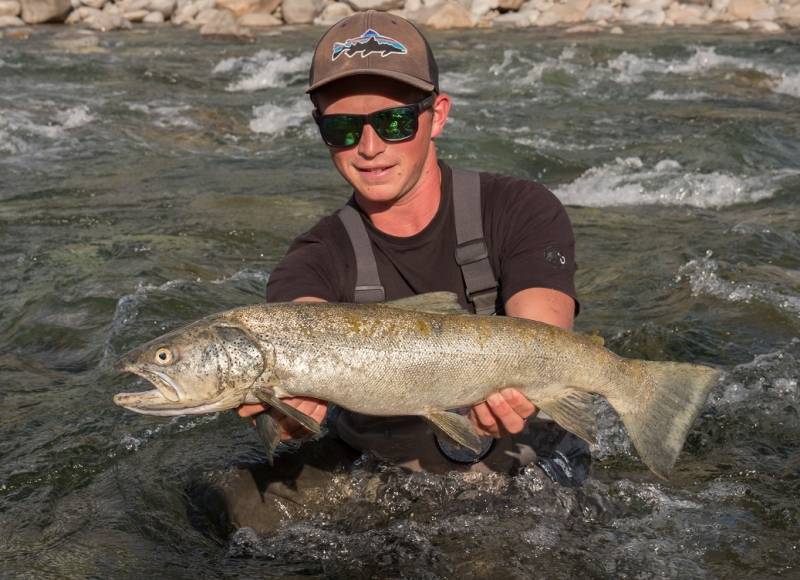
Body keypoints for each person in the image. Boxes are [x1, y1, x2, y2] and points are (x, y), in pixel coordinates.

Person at [199, 11, 589, 535]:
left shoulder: (519, 208)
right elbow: (298, 330)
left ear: (439, 115)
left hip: (517, 465)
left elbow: (545, 334)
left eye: (395, 121)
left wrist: (525, 390)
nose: (370, 146)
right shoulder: (315, 255)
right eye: (342, 128)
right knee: (219, 506)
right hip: (385, 473)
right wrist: (286, 414)